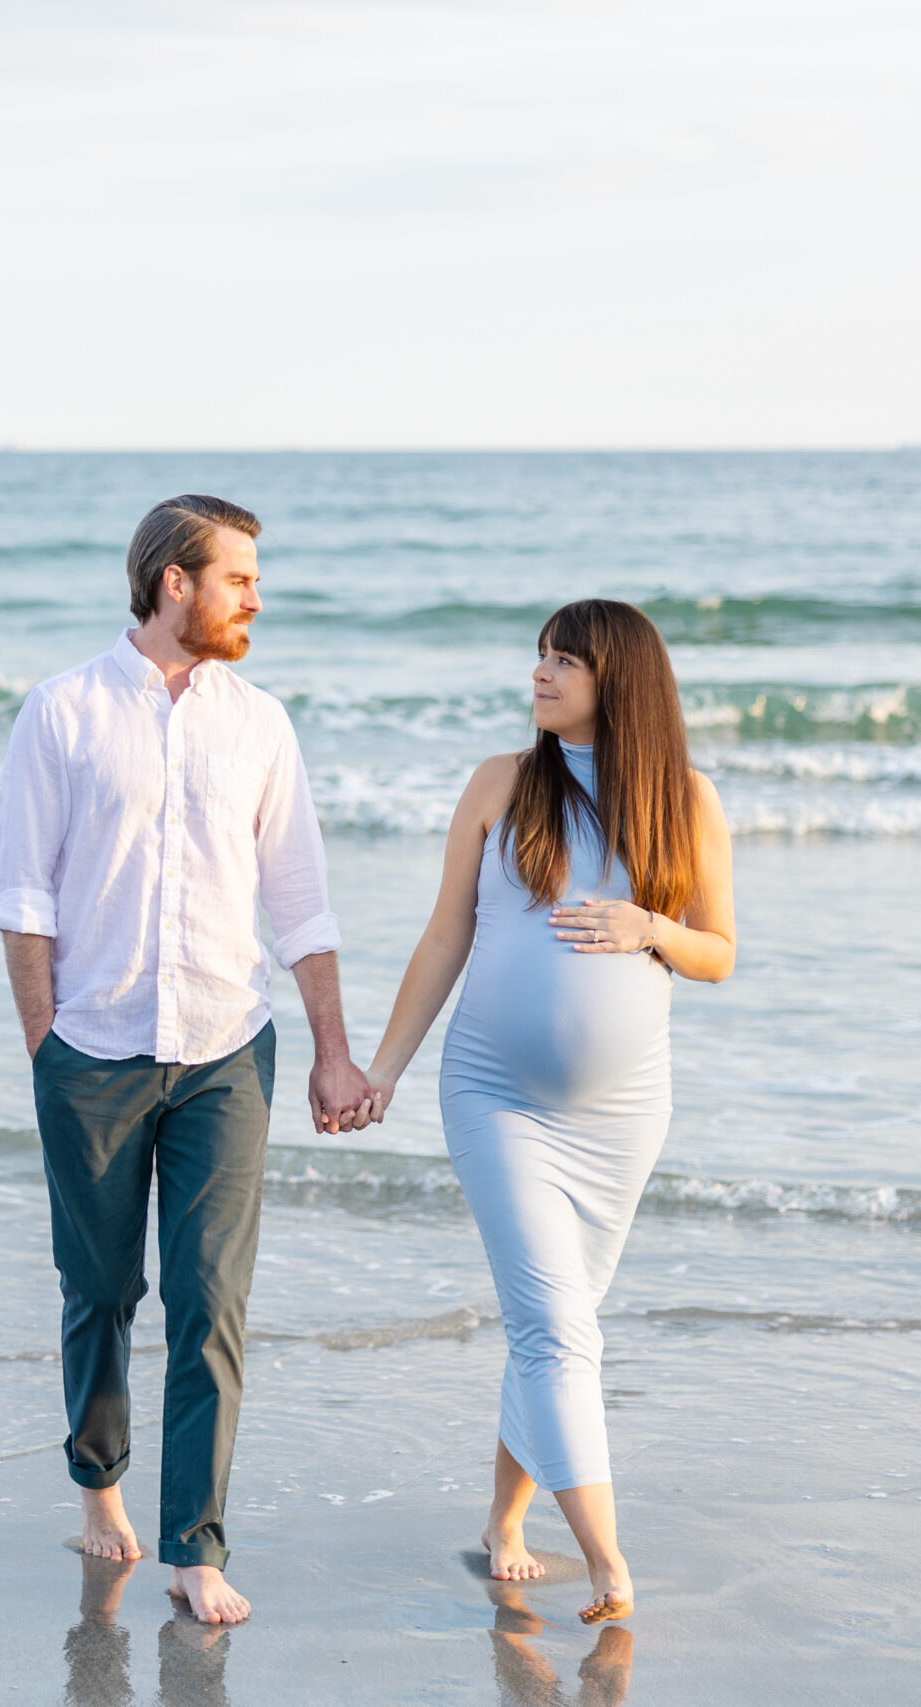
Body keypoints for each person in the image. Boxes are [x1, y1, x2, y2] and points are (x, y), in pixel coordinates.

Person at [0, 494, 374, 1626]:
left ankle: (194, 1546)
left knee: (212, 1303)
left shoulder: (260, 722)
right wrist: (46, 1049)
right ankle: (98, 1480)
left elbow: (299, 899)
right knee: (101, 1290)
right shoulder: (61, 713)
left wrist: (332, 1053)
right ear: (173, 582)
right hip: (91, 1051)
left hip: (223, 1051)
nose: (257, 596)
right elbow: (21, 898)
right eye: (239, 577)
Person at [354, 599, 735, 1625]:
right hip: (495, 1097)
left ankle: (503, 1523)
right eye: (539, 656)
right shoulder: (500, 784)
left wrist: (647, 925)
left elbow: (718, 954)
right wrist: (382, 1069)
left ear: (621, 679)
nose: (540, 673)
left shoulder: (686, 801)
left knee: (551, 1327)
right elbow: (444, 938)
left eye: (564, 660)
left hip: (624, 1116)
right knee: (559, 1331)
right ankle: (610, 1564)